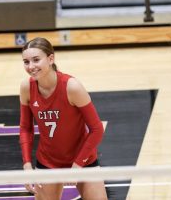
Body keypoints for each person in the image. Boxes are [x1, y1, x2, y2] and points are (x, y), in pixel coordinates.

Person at [19, 37, 107, 200]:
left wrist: (77, 165)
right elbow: (26, 128)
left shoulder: (72, 86)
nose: (31, 67)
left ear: (51, 58)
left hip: (82, 159)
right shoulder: (26, 88)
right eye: (26, 62)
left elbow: (97, 129)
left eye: (36, 60)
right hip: (48, 161)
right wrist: (27, 165)